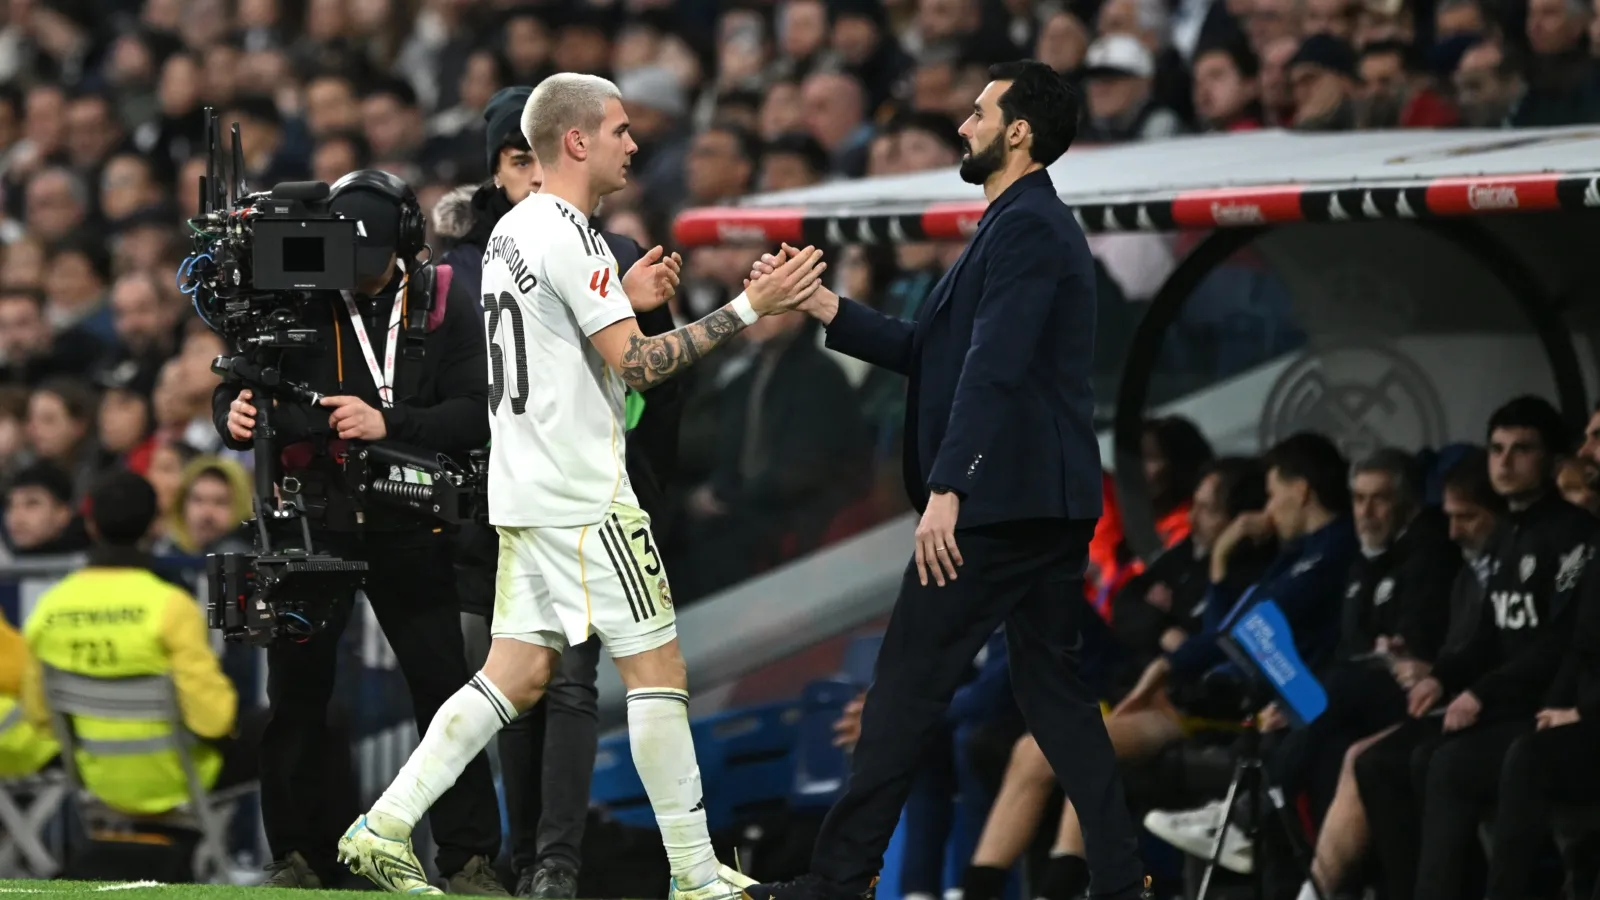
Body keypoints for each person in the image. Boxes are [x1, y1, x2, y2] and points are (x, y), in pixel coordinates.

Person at [334, 73, 828, 899]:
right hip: (584, 496)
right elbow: (640, 364)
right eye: (621, 130)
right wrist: (749, 307)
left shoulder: (513, 234)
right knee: (658, 667)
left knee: (515, 676)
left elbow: (557, 336)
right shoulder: (570, 234)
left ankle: (382, 827)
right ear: (576, 140)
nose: (635, 144)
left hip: (526, 490)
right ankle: (696, 876)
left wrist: (622, 301)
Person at [743, 60, 1148, 900]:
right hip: (1041, 504)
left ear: (1019, 132)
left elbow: (993, 370)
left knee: (903, 687)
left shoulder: (1030, 228)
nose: (963, 125)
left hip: (999, 506)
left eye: (977, 113)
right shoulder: (1014, 226)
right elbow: (934, 352)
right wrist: (823, 307)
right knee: (1057, 701)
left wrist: (949, 489)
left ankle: (839, 880)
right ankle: (1120, 879)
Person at [214, 169, 505, 893]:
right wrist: (234, 413)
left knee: (445, 690)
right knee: (298, 692)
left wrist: (390, 423)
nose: (352, 271)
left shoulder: (443, 299)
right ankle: (298, 858)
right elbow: (237, 375)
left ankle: (469, 859)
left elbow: (477, 411)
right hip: (313, 517)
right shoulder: (292, 289)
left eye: (368, 257)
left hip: (410, 519)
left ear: (404, 243)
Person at [439, 83, 688, 899]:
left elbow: (651, 390)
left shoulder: (569, 245)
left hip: (554, 495)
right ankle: (521, 855)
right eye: (512, 162)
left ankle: (553, 861)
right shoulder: (494, 256)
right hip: (518, 500)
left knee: (553, 680)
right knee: (523, 682)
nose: (526, 174)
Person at [1355, 396, 1595, 900]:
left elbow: (1562, 637)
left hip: (1539, 703)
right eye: (1497, 449)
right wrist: (1442, 676)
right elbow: (1487, 632)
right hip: (1501, 699)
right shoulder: (1507, 533)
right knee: (1386, 760)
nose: (1504, 462)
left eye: (1521, 449)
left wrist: (1481, 691)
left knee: (1447, 764)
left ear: (1553, 461)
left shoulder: (1574, 538)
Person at [18, 472, 240, 815]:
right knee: (303, 724)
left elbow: (41, 718)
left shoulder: (49, 607)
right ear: (155, 525)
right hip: (181, 778)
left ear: (90, 525)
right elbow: (214, 719)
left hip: (96, 781)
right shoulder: (171, 606)